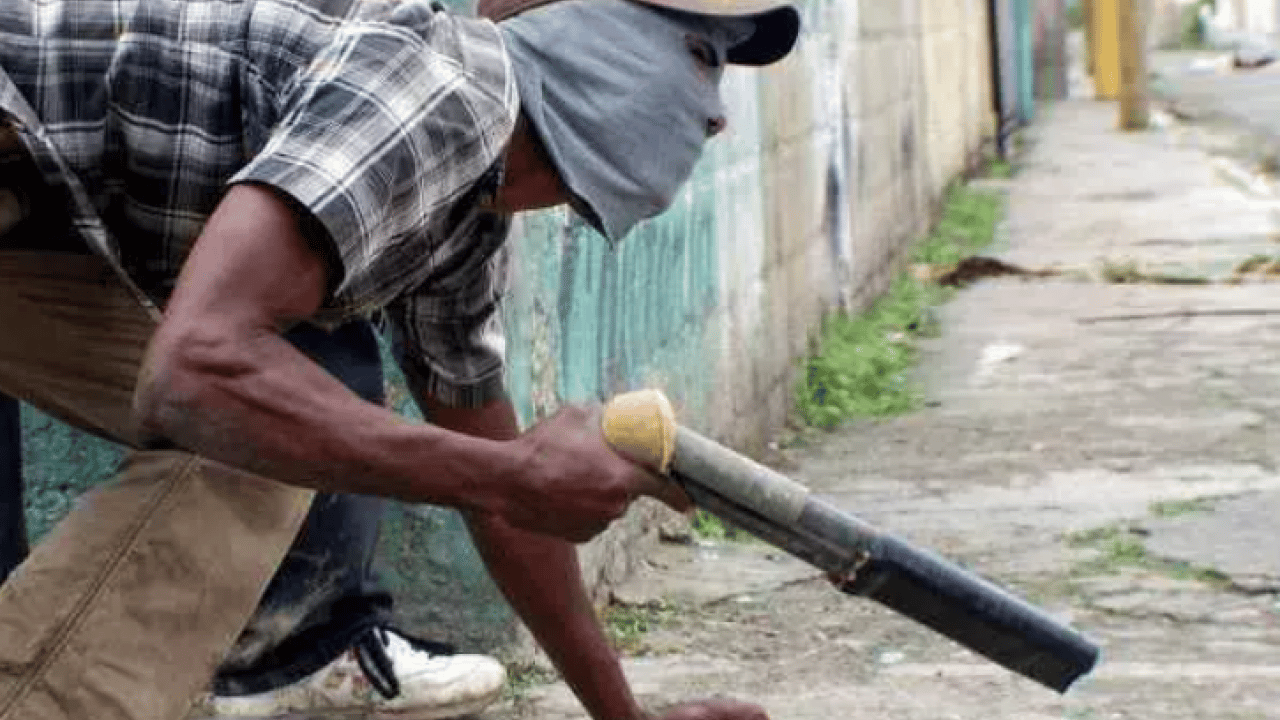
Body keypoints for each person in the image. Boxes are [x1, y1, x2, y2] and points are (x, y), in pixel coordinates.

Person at [0, 1, 800, 719]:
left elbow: (499, 493)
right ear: (585, 35)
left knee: (266, 439)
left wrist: (623, 717)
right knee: (246, 414)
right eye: (700, 56)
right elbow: (197, 373)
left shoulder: (465, 220)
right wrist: (514, 476)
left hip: (29, 219)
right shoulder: (441, 89)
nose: (716, 118)